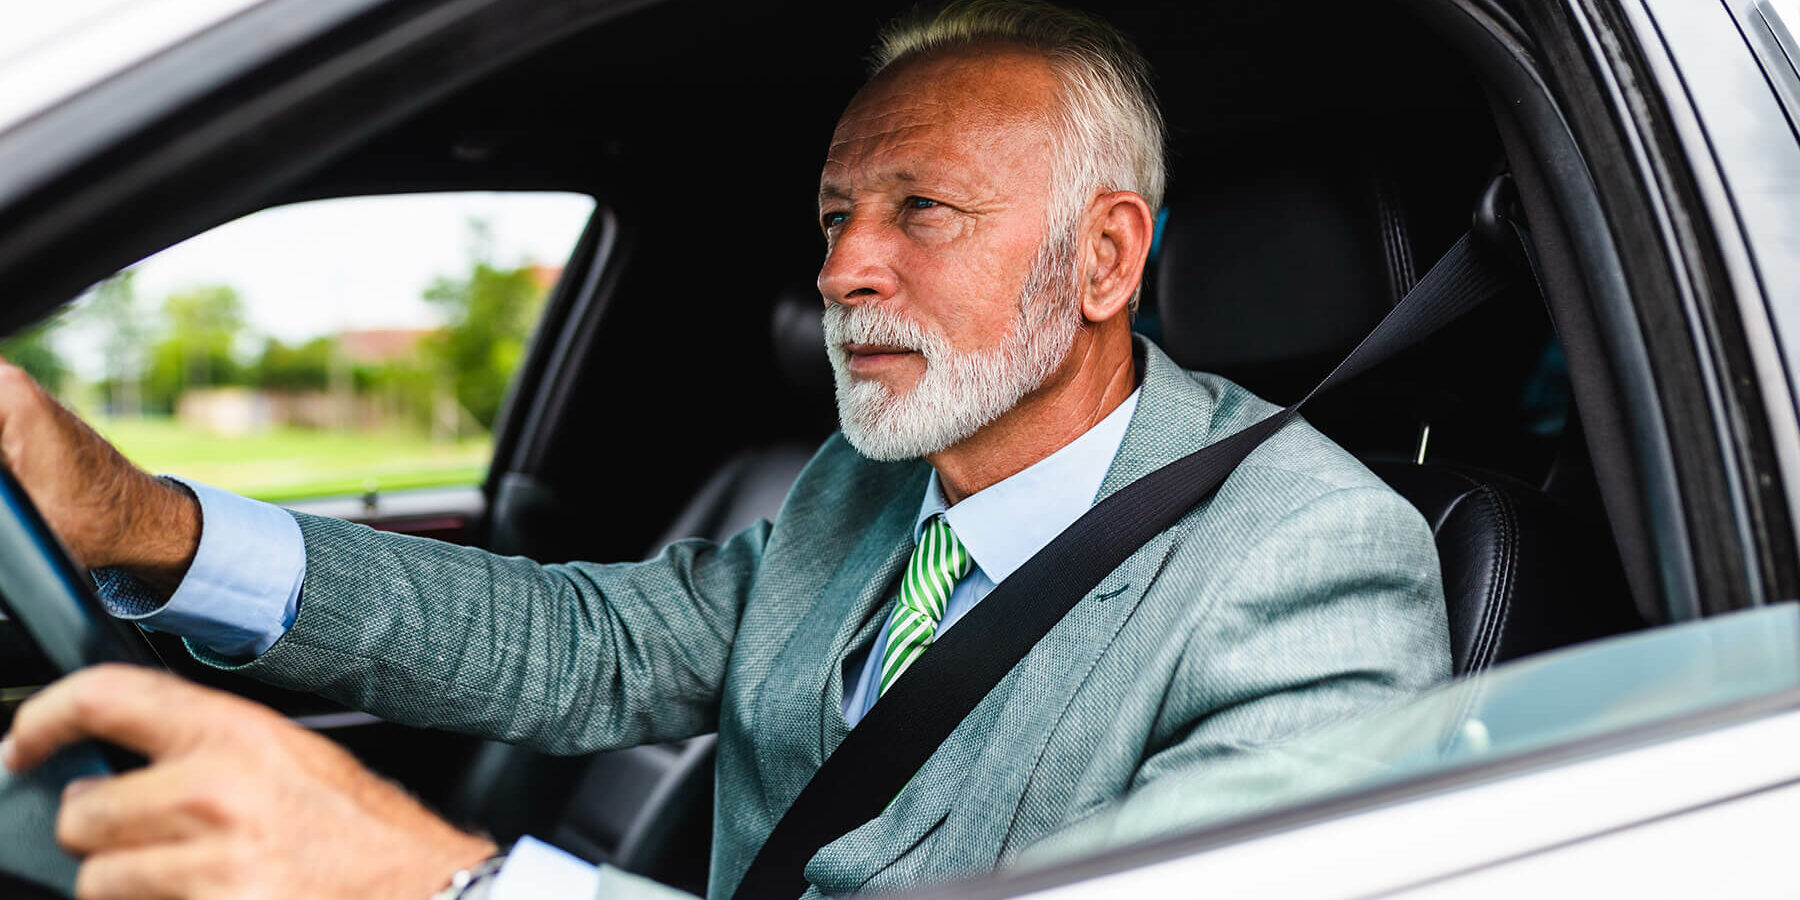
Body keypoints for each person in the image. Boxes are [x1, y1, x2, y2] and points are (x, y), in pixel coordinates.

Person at [0, 2, 1451, 898]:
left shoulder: (1311, 560)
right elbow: (578, 646)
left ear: (1106, 257)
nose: (842, 271)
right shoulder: (864, 486)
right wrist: (145, 523)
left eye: (921, 210)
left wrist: (443, 880)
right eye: (835, 217)